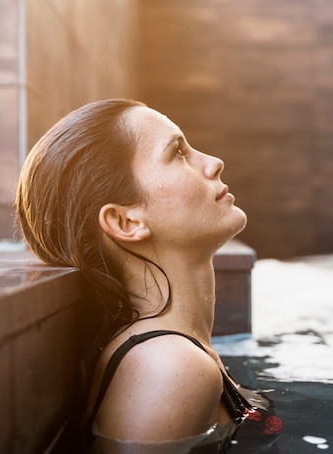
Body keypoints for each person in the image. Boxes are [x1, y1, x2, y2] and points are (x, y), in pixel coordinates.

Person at [15, 99, 282, 453]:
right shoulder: (169, 367)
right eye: (178, 152)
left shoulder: (172, 355)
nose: (214, 163)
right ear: (126, 222)